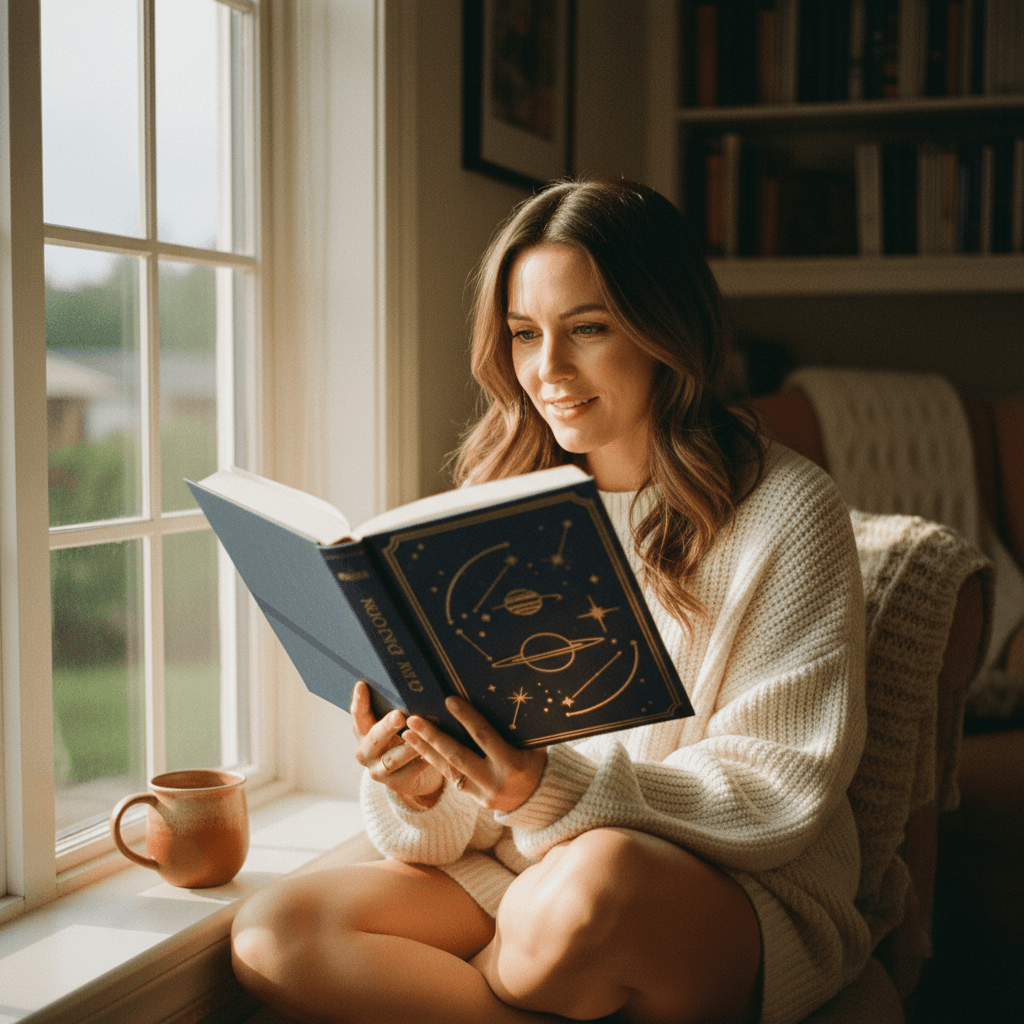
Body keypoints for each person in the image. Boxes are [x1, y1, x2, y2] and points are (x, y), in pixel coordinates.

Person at [231, 179, 870, 1024]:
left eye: (589, 329)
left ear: (666, 333)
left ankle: (521, 968)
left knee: (590, 886)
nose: (548, 370)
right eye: (525, 334)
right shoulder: (498, 503)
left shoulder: (786, 509)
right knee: (278, 933)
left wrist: (547, 790)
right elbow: (459, 818)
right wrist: (427, 783)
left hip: (728, 887)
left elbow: (777, 787)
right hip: (521, 873)